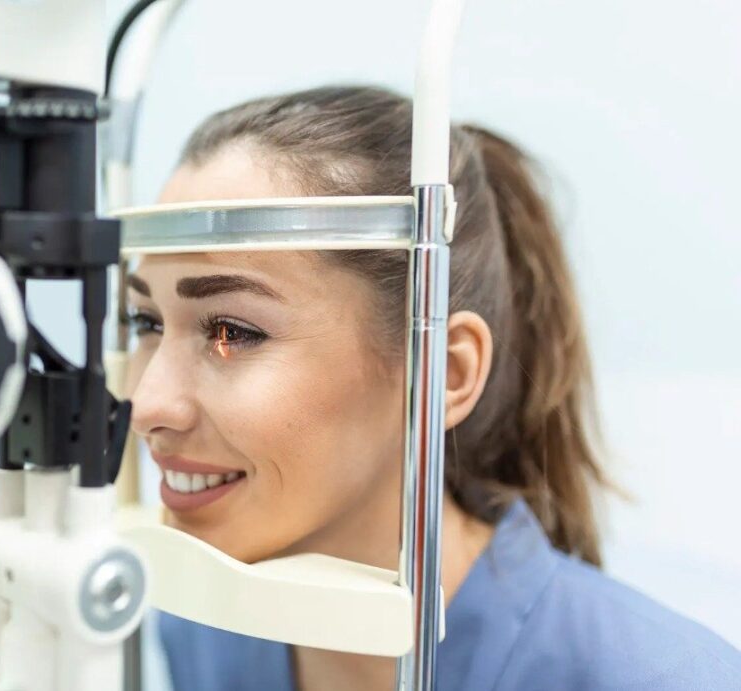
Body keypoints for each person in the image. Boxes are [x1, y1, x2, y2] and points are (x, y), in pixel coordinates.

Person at [124, 85, 741, 691]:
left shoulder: (666, 679)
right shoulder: (205, 630)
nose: (147, 405)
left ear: (443, 372)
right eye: (146, 323)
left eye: (231, 332)